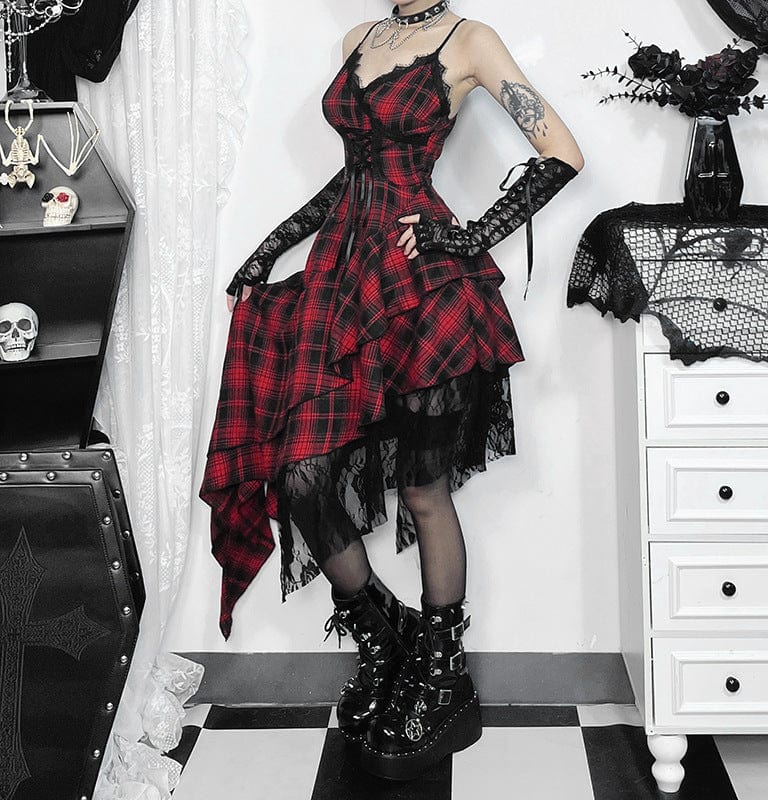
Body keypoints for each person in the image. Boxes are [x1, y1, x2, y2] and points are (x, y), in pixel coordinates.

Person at [201, 0, 583, 781]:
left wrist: (467, 236)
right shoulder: (360, 39)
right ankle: (386, 638)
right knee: (301, 474)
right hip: (344, 278)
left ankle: (441, 678)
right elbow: (353, 177)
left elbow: (563, 152)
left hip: (425, 289)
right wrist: (272, 245)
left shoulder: (470, 40)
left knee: (422, 490)